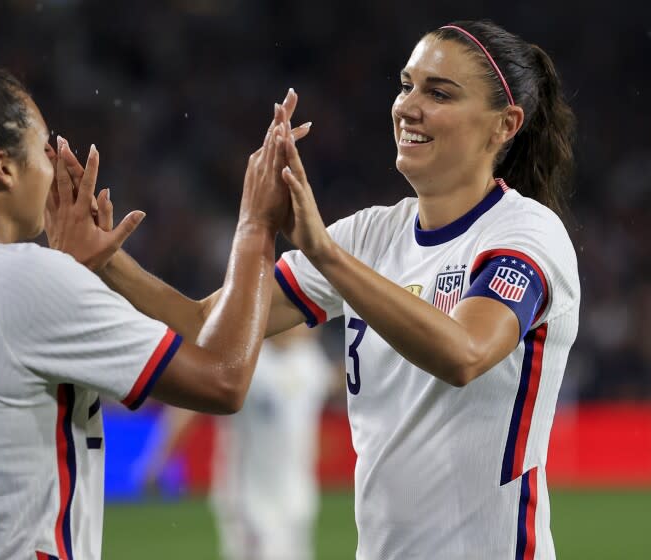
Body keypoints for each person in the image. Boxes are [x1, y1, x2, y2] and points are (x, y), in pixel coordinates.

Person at [96, 20, 580, 559]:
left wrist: (326, 254)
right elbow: (207, 328)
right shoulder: (369, 234)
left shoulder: (526, 233)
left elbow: (464, 353)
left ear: (504, 125)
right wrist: (108, 260)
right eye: (406, 84)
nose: (407, 106)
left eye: (438, 92)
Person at [0, 7, 309, 559]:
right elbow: (223, 379)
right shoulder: (27, 284)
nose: (56, 162)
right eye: (44, 147)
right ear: (3, 168)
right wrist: (257, 226)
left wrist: (74, 271)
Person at [138, 324, 336, 560]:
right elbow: (187, 409)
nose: (307, 323)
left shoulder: (310, 361)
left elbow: (335, 383)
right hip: (249, 502)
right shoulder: (245, 361)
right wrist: (159, 460)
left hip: (298, 498)